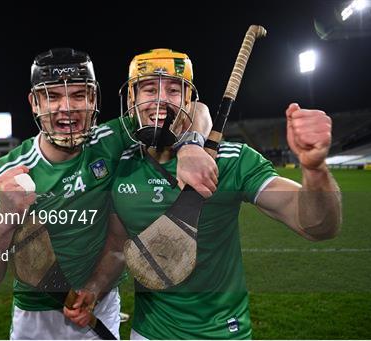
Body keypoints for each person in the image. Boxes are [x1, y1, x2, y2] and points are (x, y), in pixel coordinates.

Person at [64, 48, 342, 339]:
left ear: (189, 100)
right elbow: (117, 247)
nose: (160, 99)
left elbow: (316, 226)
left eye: (173, 90)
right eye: (148, 89)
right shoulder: (121, 167)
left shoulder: (232, 160)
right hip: (149, 333)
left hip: (222, 333)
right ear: (131, 99)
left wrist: (315, 169)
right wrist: (93, 289)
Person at [0, 48, 217, 340]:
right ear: (34, 103)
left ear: (94, 100)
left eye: (78, 95)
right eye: (52, 96)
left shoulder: (112, 139)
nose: (67, 107)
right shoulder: (4, 173)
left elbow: (197, 109)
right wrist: (7, 215)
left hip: (100, 305)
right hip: (34, 317)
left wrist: (190, 145)